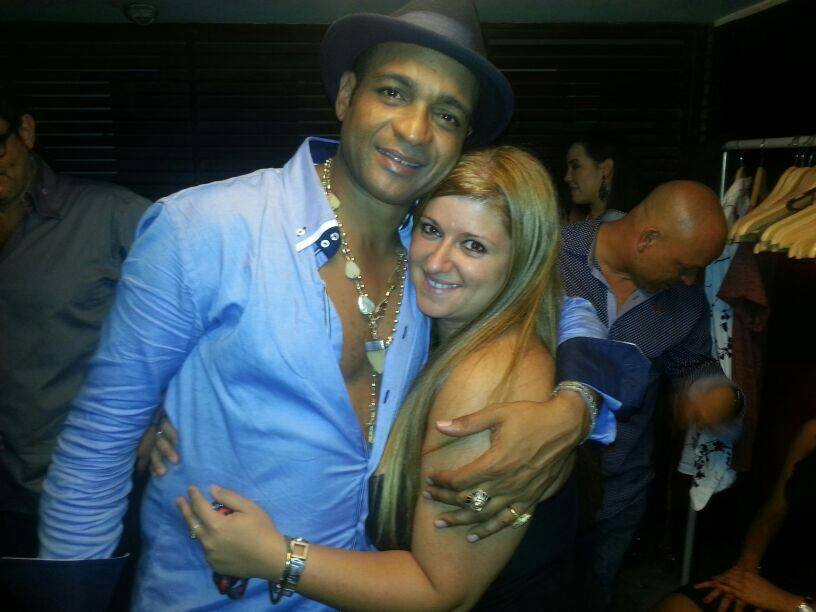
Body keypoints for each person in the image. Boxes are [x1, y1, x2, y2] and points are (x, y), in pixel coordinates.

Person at [38, 2, 621, 610]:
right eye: (394, 92)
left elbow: (565, 305)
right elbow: (96, 443)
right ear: (346, 96)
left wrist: (574, 406)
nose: (415, 130)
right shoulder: (205, 227)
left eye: (446, 114)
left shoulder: (434, 262)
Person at [176, 146, 580, 610]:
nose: (436, 261)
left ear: (522, 262)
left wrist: (276, 558)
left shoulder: (489, 377)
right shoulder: (429, 328)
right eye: (431, 230)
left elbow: (443, 592)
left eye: (474, 246)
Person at [558, 180, 744, 609]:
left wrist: (718, 397)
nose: (691, 280)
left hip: (616, 494)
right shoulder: (550, 254)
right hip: (535, 482)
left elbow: (694, 366)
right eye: (684, 267)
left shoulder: (684, 297)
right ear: (647, 239)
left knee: (592, 596)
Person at [0, 86, 150, 557]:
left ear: (25, 132)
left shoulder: (111, 215)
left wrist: (165, 419)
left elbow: (204, 316)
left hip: (92, 489)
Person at [656, 418, 816, 612]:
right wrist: (748, 564)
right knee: (676, 606)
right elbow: (774, 511)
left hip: (799, 602)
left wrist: (790, 603)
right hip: (777, 570)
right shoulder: (811, 433)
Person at [563, 133, 630, 223]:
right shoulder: (578, 221)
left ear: (606, 168)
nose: (567, 177)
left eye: (575, 166)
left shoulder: (624, 223)